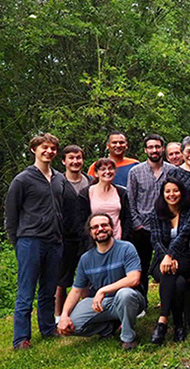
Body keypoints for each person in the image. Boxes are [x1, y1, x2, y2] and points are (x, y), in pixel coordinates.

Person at [6, 133, 67, 349]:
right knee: (26, 291)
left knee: (49, 289)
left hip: (54, 241)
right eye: (44, 148)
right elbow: (11, 217)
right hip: (30, 240)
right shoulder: (22, 179)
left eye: (52, 148)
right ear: (34, 149)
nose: (49, 151)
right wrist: (18, 242)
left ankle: (48, 328)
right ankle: (21, 338)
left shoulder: (60, 178)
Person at [56, 213, 147, 350]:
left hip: (128, 299)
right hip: (101, 304)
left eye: (104, 225)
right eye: (95, 227)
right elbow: (76, 291)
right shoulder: (86, 259)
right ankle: (108, 327)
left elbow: (134, 279)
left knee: (124, 294)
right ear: (90, 232)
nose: (100, 229)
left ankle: (128, 338)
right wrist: (64, 315)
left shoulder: (126, 248)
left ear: (112, 228)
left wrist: (103, 290)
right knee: (72, 325)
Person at [128, 134, 178, 299]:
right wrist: (137, 224)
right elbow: (131, 200)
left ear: (163, 149)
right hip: (143, 227)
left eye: (157, 147)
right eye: (151, 147)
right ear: (145, 150)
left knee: (165, 264)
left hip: (166, 226)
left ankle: (167, 300)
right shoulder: (135, 172)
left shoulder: (173, 171)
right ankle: (141, 301)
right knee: (140, 266)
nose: (154, 150)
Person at [148, 178, 190, 344]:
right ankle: (179, 325)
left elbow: (184, 236)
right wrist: (166, 257)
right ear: (163, 194)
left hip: (184, 257)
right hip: (161, 260)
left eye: (175, 190)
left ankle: (162, 321)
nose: (172, 194)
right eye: (168, 191)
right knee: (178, 282)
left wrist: (171, 256)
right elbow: (155, 240)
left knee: (172, 273)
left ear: (181, 192)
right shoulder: (156, 213)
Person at [58, 145, 92, 318]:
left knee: (87, 276)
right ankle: (58, 316)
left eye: (78, 158)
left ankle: (86, 311)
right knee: (63, 279)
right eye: (71, 158)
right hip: (65, 237)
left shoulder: (91, 181)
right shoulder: (58, 183)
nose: (75, 161)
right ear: (64, 161)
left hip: (88, 237)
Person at [79, 158, 133, 243]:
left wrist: (124, 238)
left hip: (118, 241)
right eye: (103, 169)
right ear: (96, 173)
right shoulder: (86, 193)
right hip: (96, 242)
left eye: (111, 168)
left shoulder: (121, 192)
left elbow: (127, 218)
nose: (107, 172)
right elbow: (81, 221)